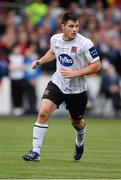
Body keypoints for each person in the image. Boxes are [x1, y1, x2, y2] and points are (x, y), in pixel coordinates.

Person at [22, 12, 101, 161]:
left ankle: (79, 142)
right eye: (71, 26)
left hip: (77, 90)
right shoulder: (55, 39)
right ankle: (35, 152)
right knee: (43, 113)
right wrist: (40, 61)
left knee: (76, 122)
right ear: (63, 26)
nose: (75, 29)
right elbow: (53, 52)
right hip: (57, 84)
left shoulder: (85, 43)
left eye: (77, 26)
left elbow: (97, 65)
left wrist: (75, 73)